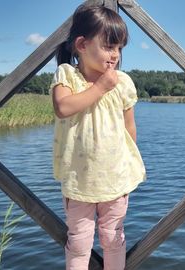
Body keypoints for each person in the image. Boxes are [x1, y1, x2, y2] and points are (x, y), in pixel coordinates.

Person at [50, 4, 145, 270]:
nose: (115, 55)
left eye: (119, 48)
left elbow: (130, 127)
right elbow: (63, 107)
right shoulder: (67, 74)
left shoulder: (123, 82)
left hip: (114, 176)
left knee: (112, 237)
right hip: (79, 178)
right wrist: (101, 87)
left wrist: (129, 163)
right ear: (81, 44)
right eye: (109, 47)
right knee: (79, 241)